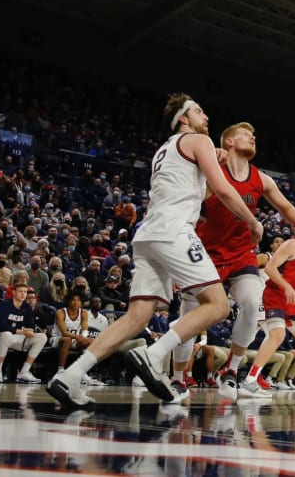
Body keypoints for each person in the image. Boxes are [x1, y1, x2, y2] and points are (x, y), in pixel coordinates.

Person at [46, 93, 264, 409]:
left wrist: (212, 157)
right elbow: (223, 190)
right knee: (218, 305)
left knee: (137, 316)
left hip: (148, 234)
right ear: (184, 119)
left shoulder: (165, 149)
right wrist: (252, 221)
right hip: (174, 231)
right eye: (199, 111)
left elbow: (193, 184)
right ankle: (154, 354)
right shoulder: (198, 140)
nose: (206, 116)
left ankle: (69, 376)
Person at [192, 121, 295, 401]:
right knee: (190, 314)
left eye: (253, 135)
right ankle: (177, 376)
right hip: (207, 253)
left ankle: (231, 369)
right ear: (229, 142)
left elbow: (285, 205)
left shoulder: (261, 179)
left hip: (242, 254)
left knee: (253, 303)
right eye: (245, 135)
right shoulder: (212, 170)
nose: (253, 138)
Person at [240, 213, 295, 399]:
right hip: (274, 294)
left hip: (289, 299)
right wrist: (287, 286)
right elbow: (270, 268)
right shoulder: (291, 244)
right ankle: (249, 382)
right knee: (277, 335)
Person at [0, 281, 47, 383]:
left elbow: (31, 325)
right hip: (4, 336)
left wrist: (29, 331)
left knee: (42, 337)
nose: (23, 294)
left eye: (25, 292)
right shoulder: (5, 305)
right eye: (20, 291)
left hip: (19, 337)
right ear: (14, 292)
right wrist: (22, 331)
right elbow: (1, 325)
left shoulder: (26, 307)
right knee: (7, 334)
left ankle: (24, 372)